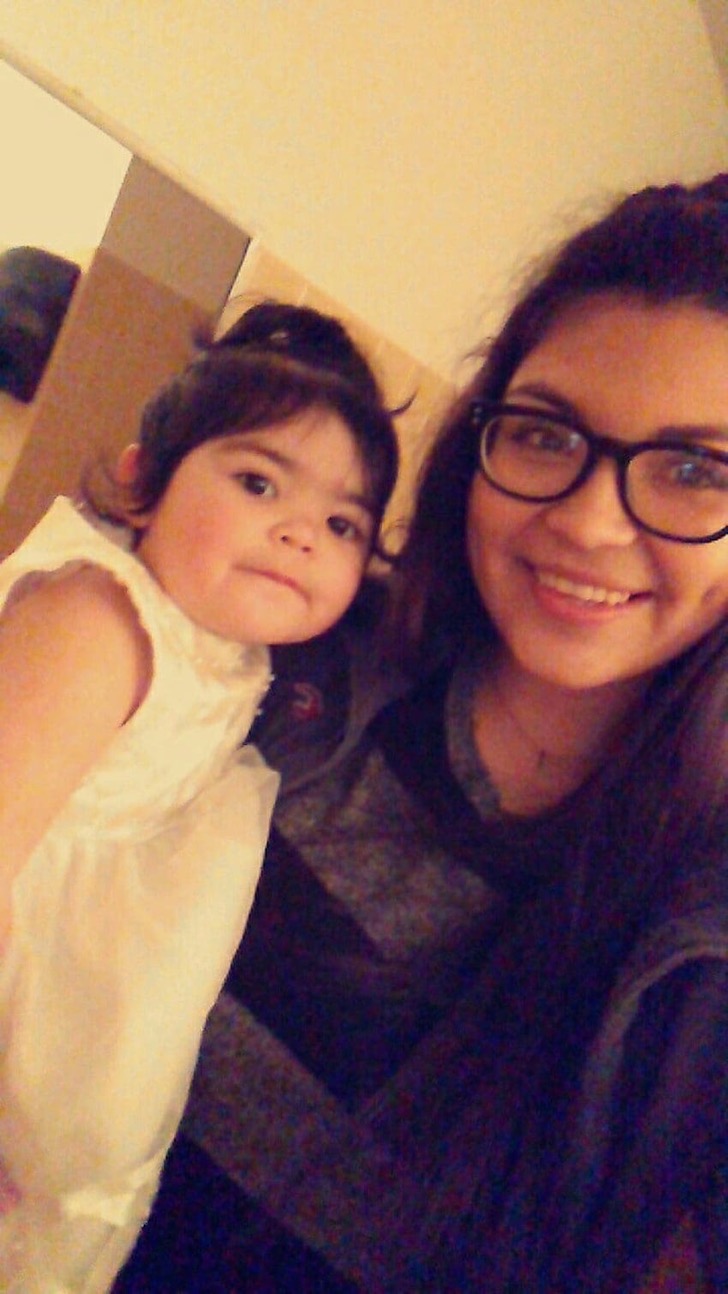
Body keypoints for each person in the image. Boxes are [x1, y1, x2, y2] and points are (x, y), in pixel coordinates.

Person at [116, 175, 728, 1293]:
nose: (588, 521)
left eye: (695, 471)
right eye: (545, 434)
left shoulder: (699, 934)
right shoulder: (282, 657)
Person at [0, 301, 399, 1293]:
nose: (299, 533)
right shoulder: (99, 619)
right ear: (142, 481)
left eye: (342, 523)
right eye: (259, 482)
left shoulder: (231, 659)